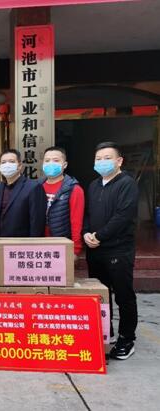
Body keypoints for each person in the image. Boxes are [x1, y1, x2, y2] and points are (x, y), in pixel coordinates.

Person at [83, 142, 139, 360]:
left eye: (107, 158)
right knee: (101, 295)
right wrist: (86, 233)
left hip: (118, 249)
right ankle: (107, 332)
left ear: (119, 161)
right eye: (98, 159)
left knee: (123, 295)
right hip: (95, 250)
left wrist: (99, 236)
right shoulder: (94, 185)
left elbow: (122, 217)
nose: (102, 162)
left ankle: (127, 338)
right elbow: (88, 213)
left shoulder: (127, 184)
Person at [41, 147, 85, 255]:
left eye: (56, 160)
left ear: (64, 165)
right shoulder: (37, 187)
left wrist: (75, 250)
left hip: (61, 245)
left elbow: (76, 222)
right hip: (39, 244)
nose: (50, 163)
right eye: (47, 160)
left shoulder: (74, 189)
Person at [0, 149, 46, 237]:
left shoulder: (33, 187)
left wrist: (34, 243)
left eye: (11, 161)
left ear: (20, 166)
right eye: (3, 162)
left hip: (21, 243)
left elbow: (37, 223)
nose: (7, 165)